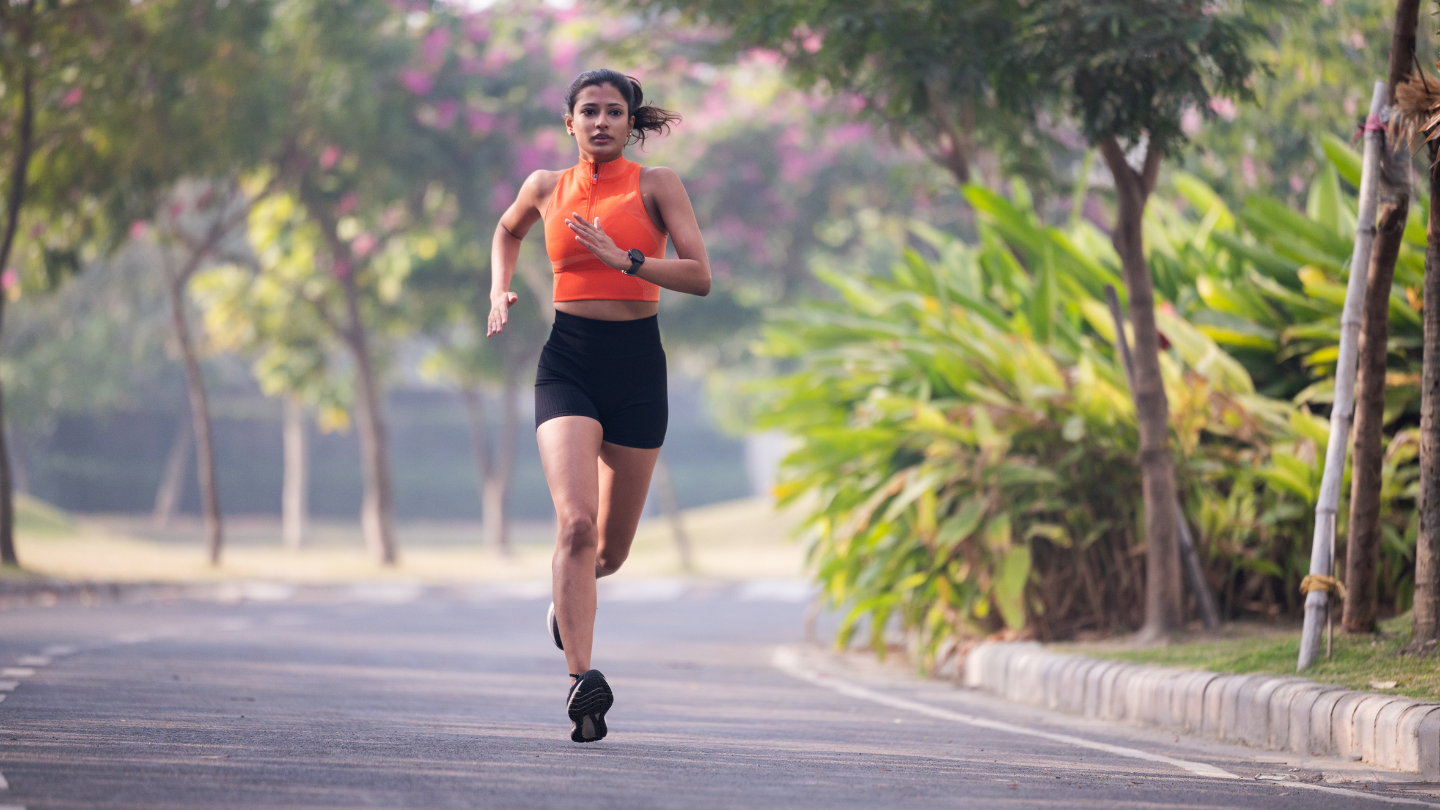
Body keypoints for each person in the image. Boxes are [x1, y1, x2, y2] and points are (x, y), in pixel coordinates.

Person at [486, 69, 711, 743]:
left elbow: (699, 276)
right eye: (590, 111)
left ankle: (567, 605)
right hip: (569, 365)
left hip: (639, 370)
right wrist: (499, 290)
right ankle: (582, 679)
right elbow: (506, 232)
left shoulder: (658, 184)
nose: (602, 121)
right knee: (576, 526)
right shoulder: (544, 187)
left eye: (615, 112)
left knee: (609, 554)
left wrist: (629, 260)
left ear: (629, 122)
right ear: (570, 121)